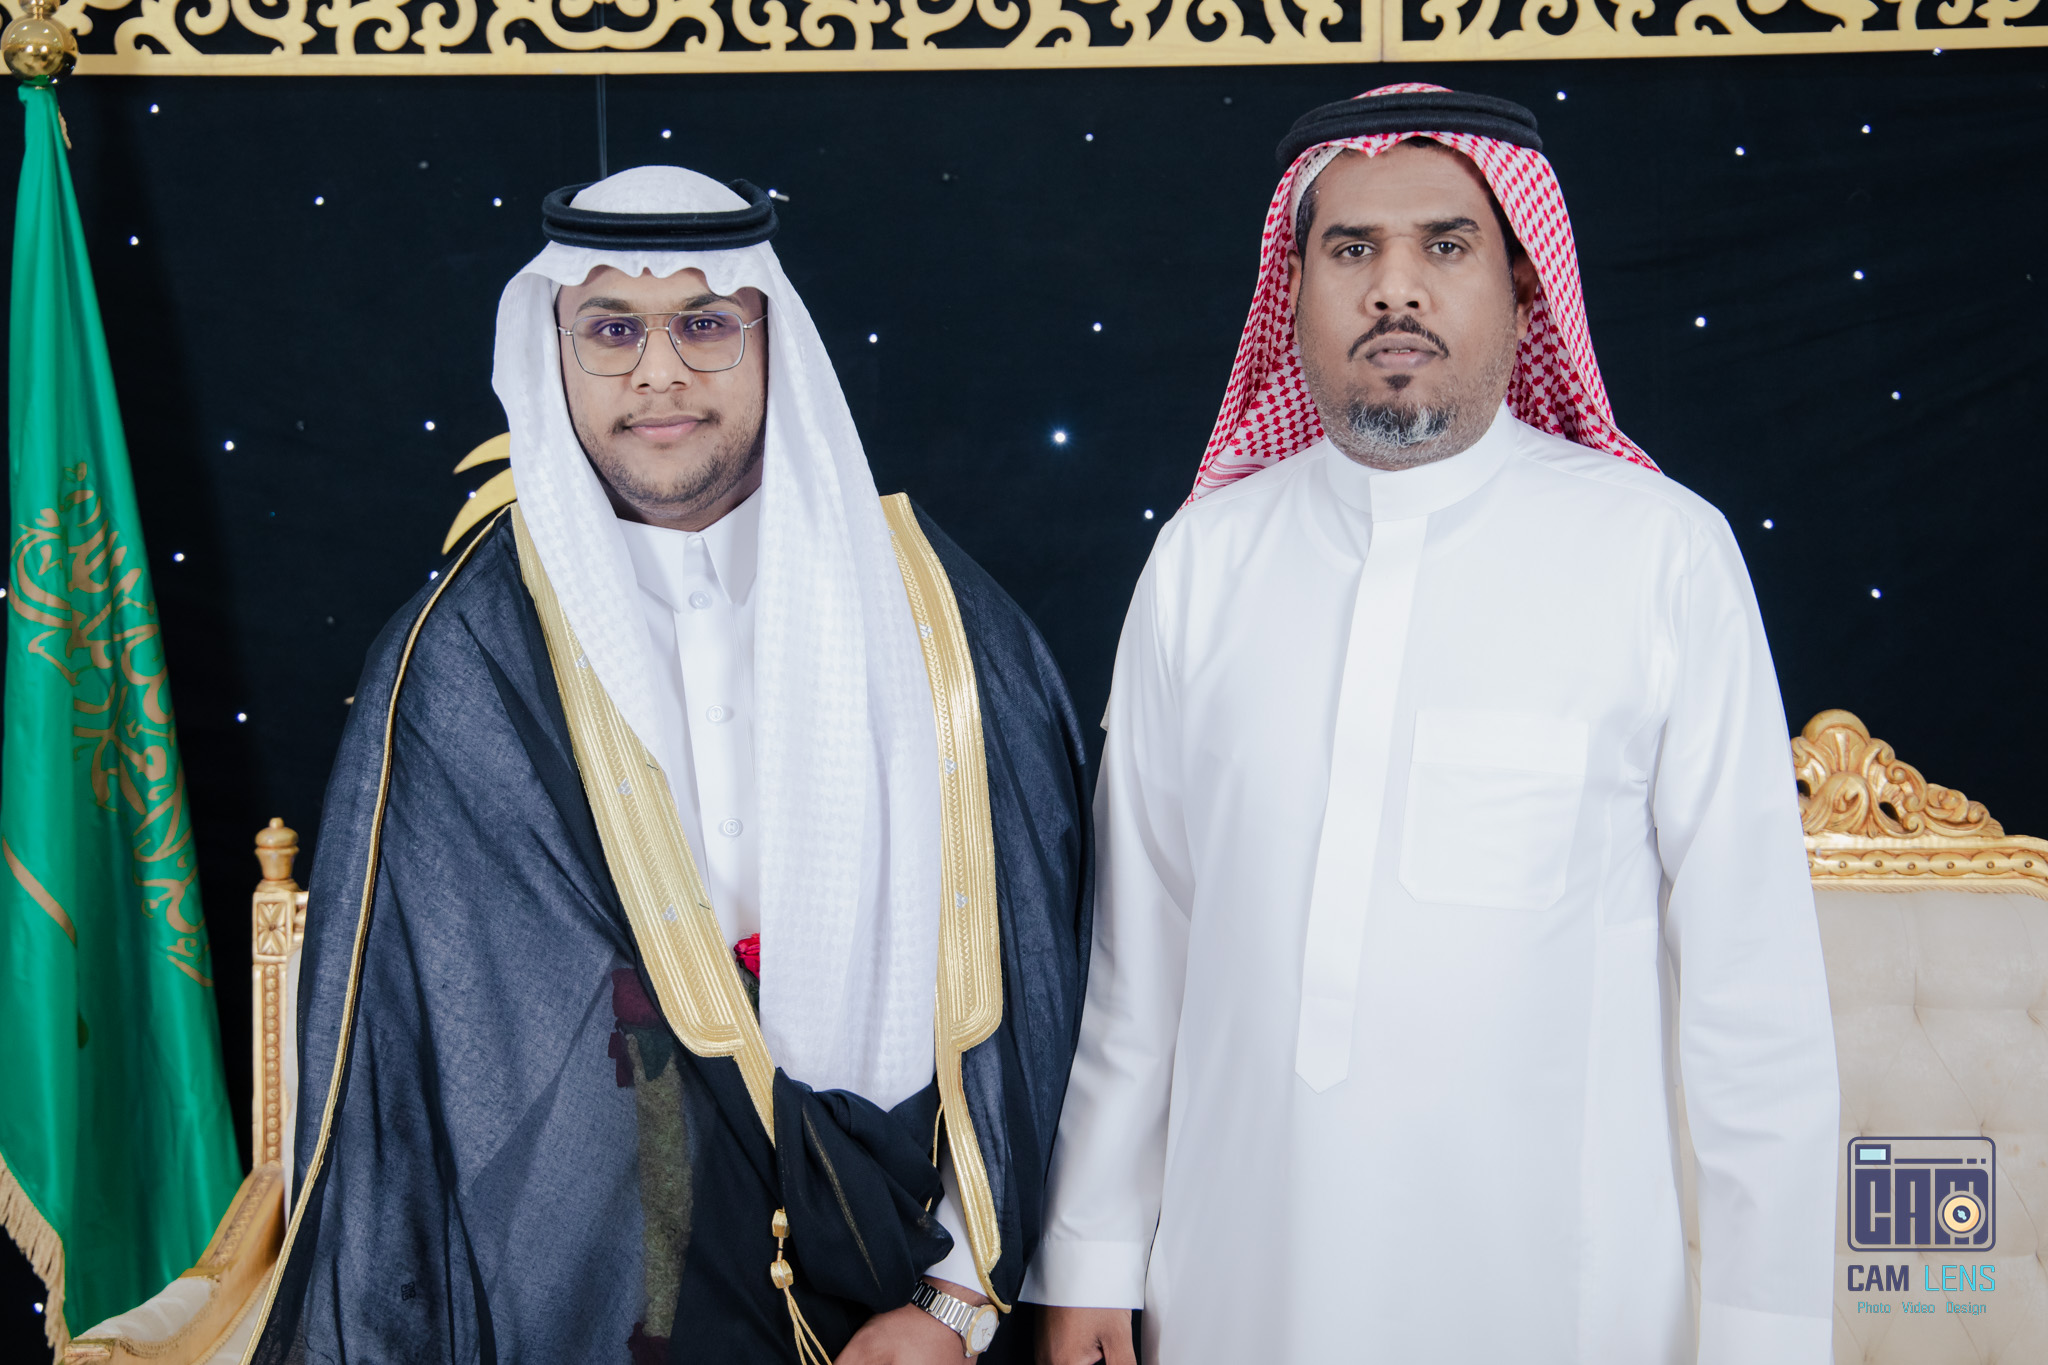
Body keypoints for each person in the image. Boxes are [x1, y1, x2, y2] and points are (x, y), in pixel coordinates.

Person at [1027, 85, 1838, 1365]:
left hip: (1555, 1305)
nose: (1392, 288)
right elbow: (1140, 962)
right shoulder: (1202, 563)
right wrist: (1087, 1256)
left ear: (1521, 283)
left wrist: (1767, 1340)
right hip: (1238, 1289)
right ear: (1292, 289)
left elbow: (1755, 1001)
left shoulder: (1659, 556)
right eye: (1350, 249)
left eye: (1444, 245)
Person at [246, 166, 1091, 1365]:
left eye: (703, 324)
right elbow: (408, 1077)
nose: (658, 373)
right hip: (596, 1308)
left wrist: (954, 1299)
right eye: (611, 331)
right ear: (553, 351)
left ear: (770, 342)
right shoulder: (465, 656)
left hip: (907, 1304)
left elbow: (1043, 980)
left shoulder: (937, 623)